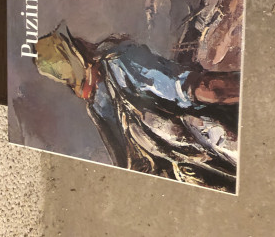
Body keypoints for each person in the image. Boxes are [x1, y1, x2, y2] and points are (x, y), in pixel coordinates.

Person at [34, 21, 240, 193]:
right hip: (217, 148)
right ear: (80, 52)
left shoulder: (96, 106)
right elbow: (194, 89)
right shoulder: (120, 63)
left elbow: (127, 165)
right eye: (76, 43)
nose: (83, 41)